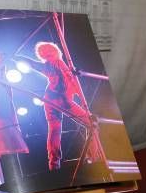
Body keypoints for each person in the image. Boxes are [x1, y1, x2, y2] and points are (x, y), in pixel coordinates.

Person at [29, 41, 99, 171]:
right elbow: (35, 65)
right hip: (55, 100)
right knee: (56, 129)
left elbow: (72, 82)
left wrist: (80, 94)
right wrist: (17, 58)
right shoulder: (51, 64)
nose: (47, 54)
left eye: (48, 51)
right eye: (44, 53)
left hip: (59, 100)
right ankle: (55, 163)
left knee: (88, 122)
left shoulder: (61, 63)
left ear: (54, 51)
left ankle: (91, 157)